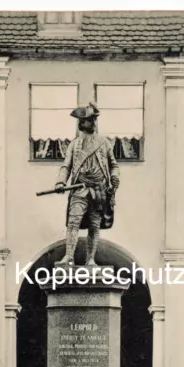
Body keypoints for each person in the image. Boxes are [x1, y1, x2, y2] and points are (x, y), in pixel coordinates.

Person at [55, 102, 120, 266]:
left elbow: (114, 165)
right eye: (90, 120)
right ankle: (69, 257)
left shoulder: (103, 143)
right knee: (73, 222)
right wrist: (61, 181)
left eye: (94, 120)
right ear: (81, 123)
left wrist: (114, 177)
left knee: (94, 225)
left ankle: (90, 259)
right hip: (79, 188)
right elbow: (66, 166)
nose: (94, 123)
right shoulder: (74, 145)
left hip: (98, 190)